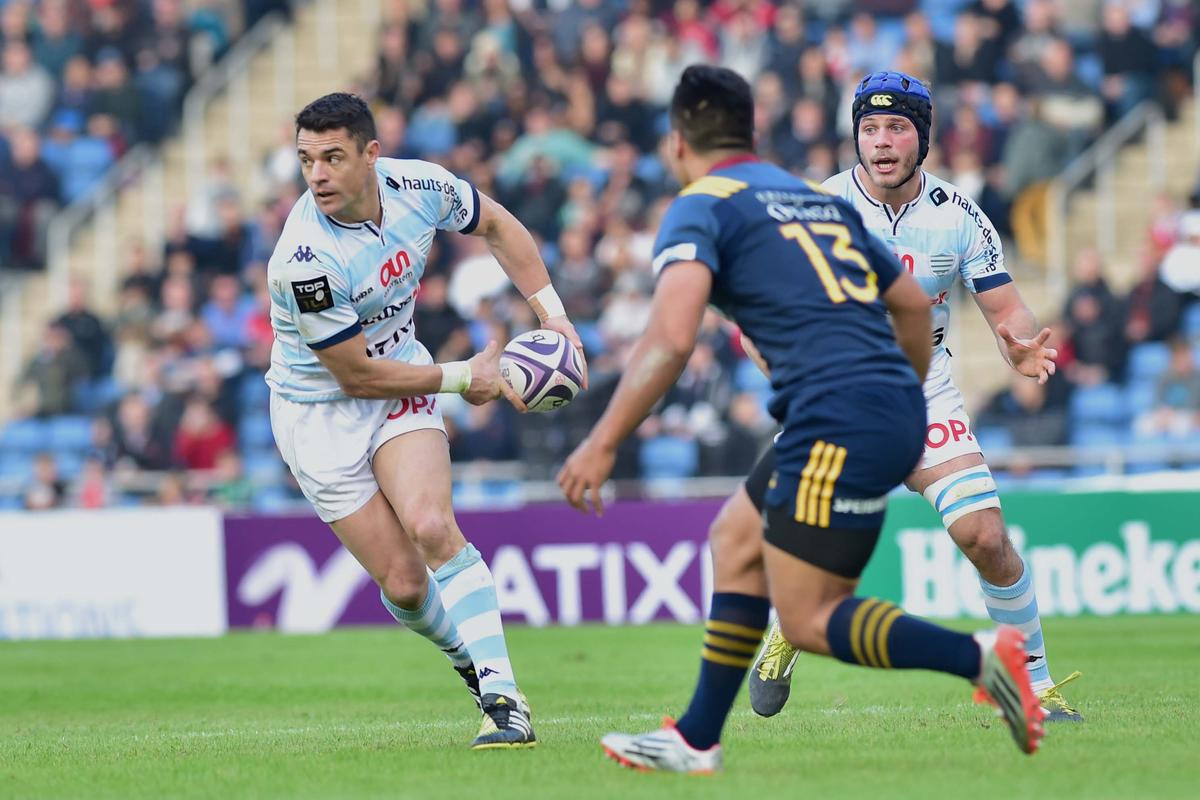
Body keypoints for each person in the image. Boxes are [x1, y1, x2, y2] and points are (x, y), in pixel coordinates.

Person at [557, 65, 1043, 774]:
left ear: (677, 142)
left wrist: (601, 441)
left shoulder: (701, 205)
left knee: (812, 616)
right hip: (872, 399)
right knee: (735, 539)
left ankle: (984, 656)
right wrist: (899, 393)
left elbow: (668, 339)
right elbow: (910, 302)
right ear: (750, 132)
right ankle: (697, 737)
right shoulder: (803, 195)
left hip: (841, 409)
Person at [748, 72, 1081, 722]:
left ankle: (1033, 686)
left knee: (985, 536)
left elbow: (1006, 307)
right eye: (869, 129)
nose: (881, 142)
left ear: (922, 137)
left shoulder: (959, 215)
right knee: (820, 558)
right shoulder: (816, 206)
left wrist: (1016, 345)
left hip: (923, 392)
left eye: (896, 127)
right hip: (837, 397)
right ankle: (787, 628)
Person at [266, 93, 587, 749]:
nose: (317, 175)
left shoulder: (418, 185)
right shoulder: (304, 261)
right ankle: (469, 665)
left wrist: (553, 315)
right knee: (407, 586)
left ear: (370, 156)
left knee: (433, 525)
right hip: (319, 415)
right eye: (306, 161)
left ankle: (504, 698)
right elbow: (354, 375)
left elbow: (497, 224)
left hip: (401, 381)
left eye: (332, 157)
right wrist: (465, 376)